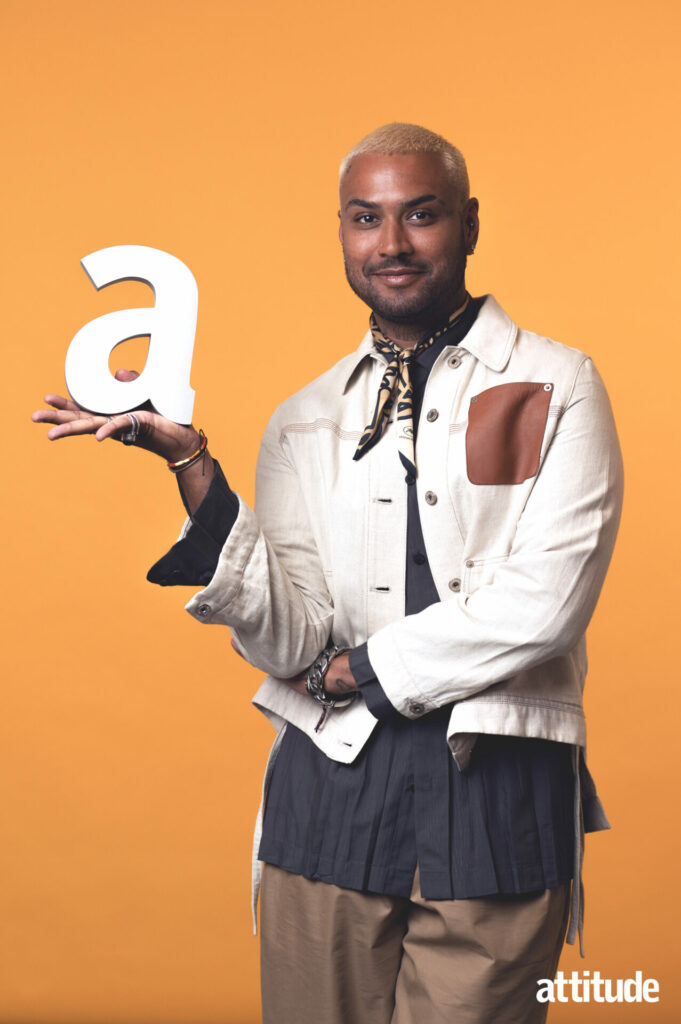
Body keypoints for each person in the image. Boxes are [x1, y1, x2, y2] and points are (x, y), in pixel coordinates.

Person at [33, 123, 623, 1024]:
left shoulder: (557, 383)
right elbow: (292, 635)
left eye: (420, 215)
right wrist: (192, 467)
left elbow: (545, 602)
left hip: (499, 794)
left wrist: (362, 669)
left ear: (469, 224)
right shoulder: (300, 419)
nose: (391, 243)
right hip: (330, 797)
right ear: (341, 233)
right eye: (365, 218)